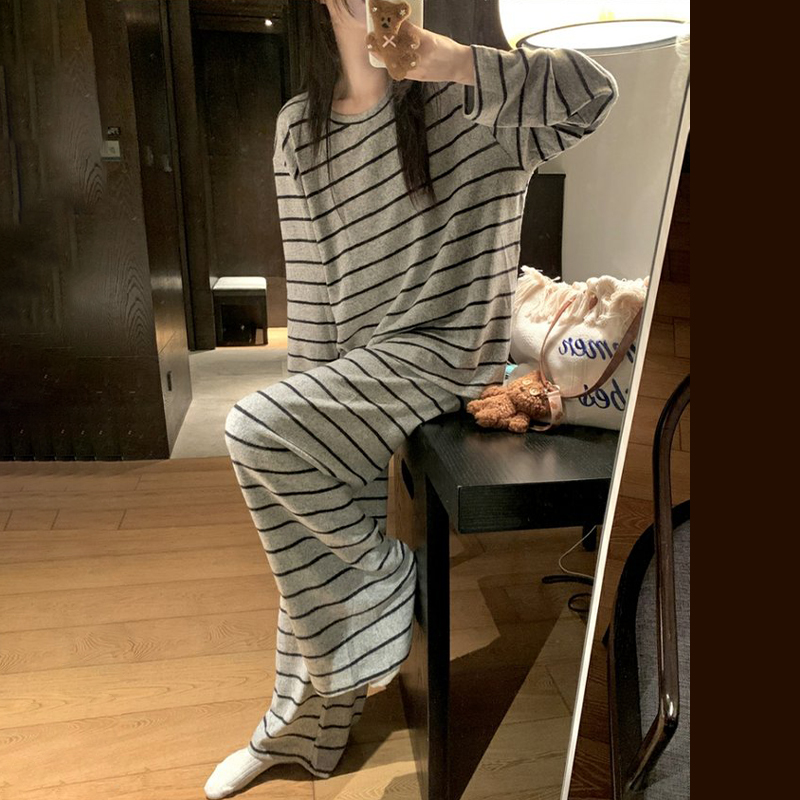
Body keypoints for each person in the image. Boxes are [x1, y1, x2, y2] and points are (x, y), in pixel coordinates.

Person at [204, 1, 619, 797]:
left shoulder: (471, 102)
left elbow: (592, 93)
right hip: (362, 366)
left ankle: (388, 586)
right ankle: (304, 735)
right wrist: (311, 403)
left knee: (253, 428)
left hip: (451, 359)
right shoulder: (299, 130)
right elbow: (315, 296)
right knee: (311, 535)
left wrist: (451, 62)